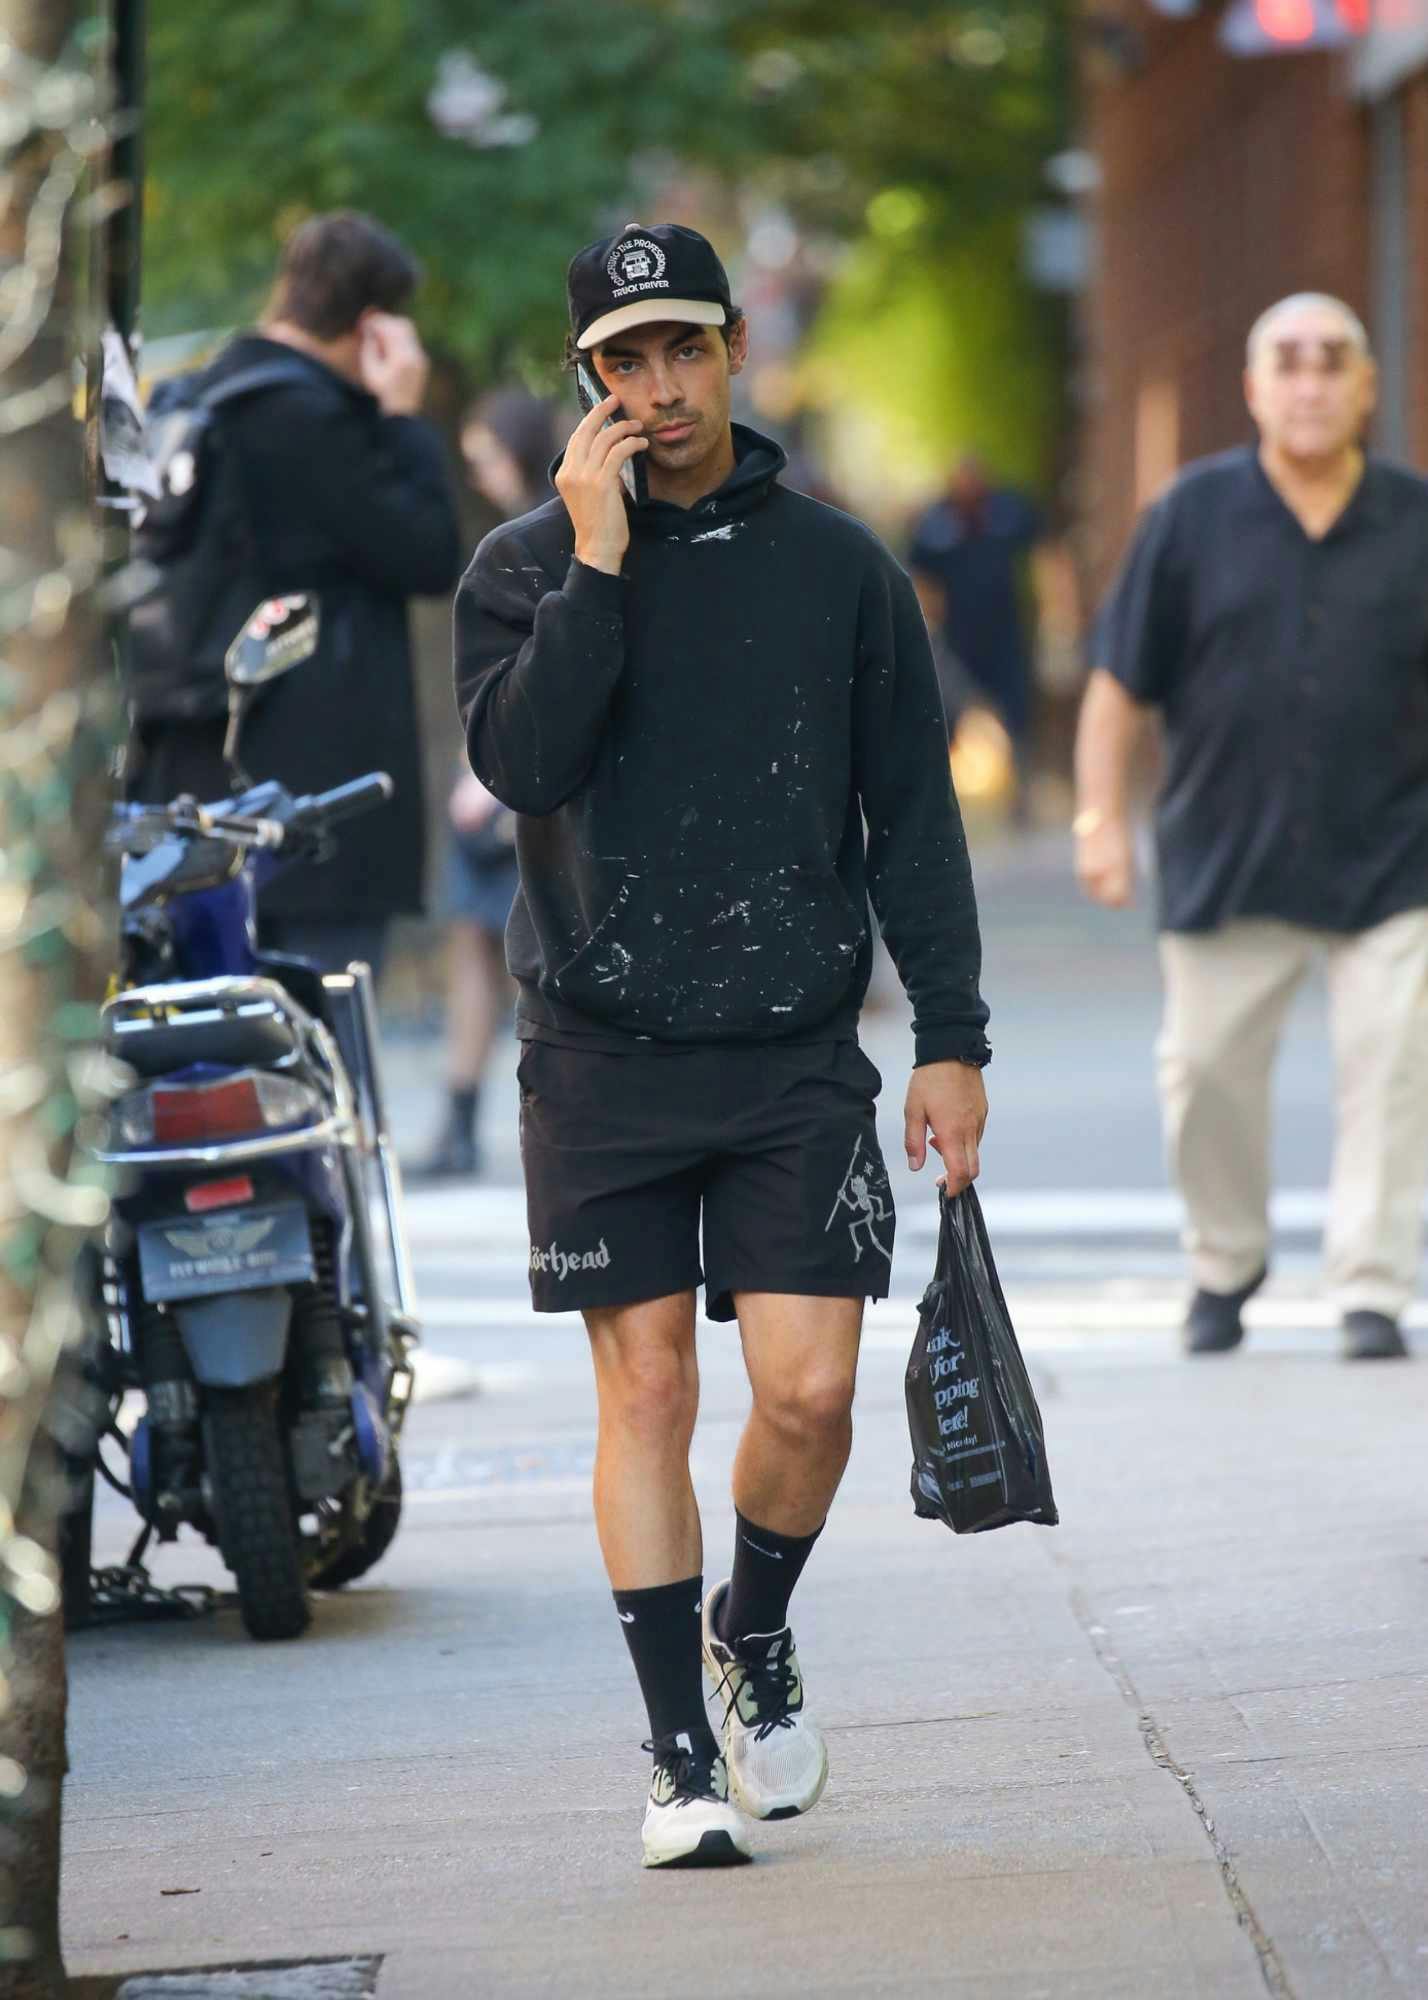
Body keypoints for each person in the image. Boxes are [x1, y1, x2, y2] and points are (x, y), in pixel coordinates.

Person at [455, 223, 991, 1869]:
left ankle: (748, 1632)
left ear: (735, 345)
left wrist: (951, 1038)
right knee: (648, 1386)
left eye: (684, 347)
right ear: (588, 380)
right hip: (598, 1054)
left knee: (813, 1392)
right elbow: (526, 768)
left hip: (789, 1050)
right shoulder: (521, 571)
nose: (661, 385)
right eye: (626, 360)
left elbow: (909, 815)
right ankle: (679, 1760)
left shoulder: (836, 567)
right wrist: (598, 561)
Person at [1075, 292, 1428, 1364]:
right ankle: (1225, 1260)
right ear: (1254, 386)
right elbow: (1117, 684)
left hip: (1395, 853)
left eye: (1335, 361)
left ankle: (1369, 1283)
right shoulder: (1189, 513)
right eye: (1290, 361)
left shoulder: (1417, 519)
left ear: (1368, 386)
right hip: (1227, 849)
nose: (1312, 380)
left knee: (1398, 1065)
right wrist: (1099, 817)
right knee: (1206, 1074)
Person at [126, 210, 462, 976]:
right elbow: (429, 553)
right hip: (309, 809)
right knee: (315, 1050)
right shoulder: (312, 421)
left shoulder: (195, 399)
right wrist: (403, 416)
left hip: (187, 788)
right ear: (374, 326)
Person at [409, 391, 557, 1181]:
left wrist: (487, 783)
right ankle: (465, 1114)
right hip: (504, 785)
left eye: (484, 450)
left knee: (501, 953)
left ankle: (475, 1118)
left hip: (512, 791)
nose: (476, 465)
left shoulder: (536, 540)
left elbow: (527, 683)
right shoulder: (546, 529)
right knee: (485, 950)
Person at [907, 453, 1044, 822]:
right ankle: (937, 803)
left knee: (1017, 717)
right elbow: (920, 577)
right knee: (944, 717)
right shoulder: (935, 521)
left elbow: (1043, 557)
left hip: (1007, 635)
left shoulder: (1009, 511)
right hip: (957, 640)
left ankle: (1021, 802)